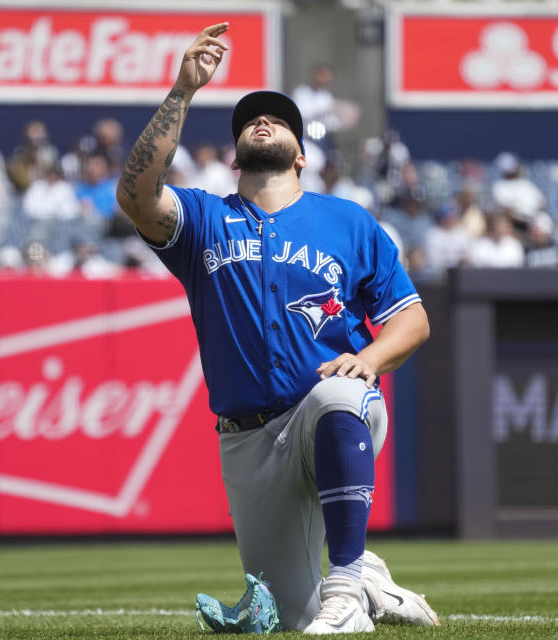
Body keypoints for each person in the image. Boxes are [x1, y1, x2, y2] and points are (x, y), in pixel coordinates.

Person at [116, 23, 438, 635]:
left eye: (277, 119)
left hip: (327, 411)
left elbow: (412, 320)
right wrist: (182, 92)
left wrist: (370, 358)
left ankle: (345, 582)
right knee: (295, 618)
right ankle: (364, 578)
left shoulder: (346, 220)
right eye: (249, 121)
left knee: (338, 393)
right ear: (236, 153)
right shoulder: (207, 220)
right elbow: (136, 197)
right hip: (247, 441)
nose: (261, 122)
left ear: (300, 153)